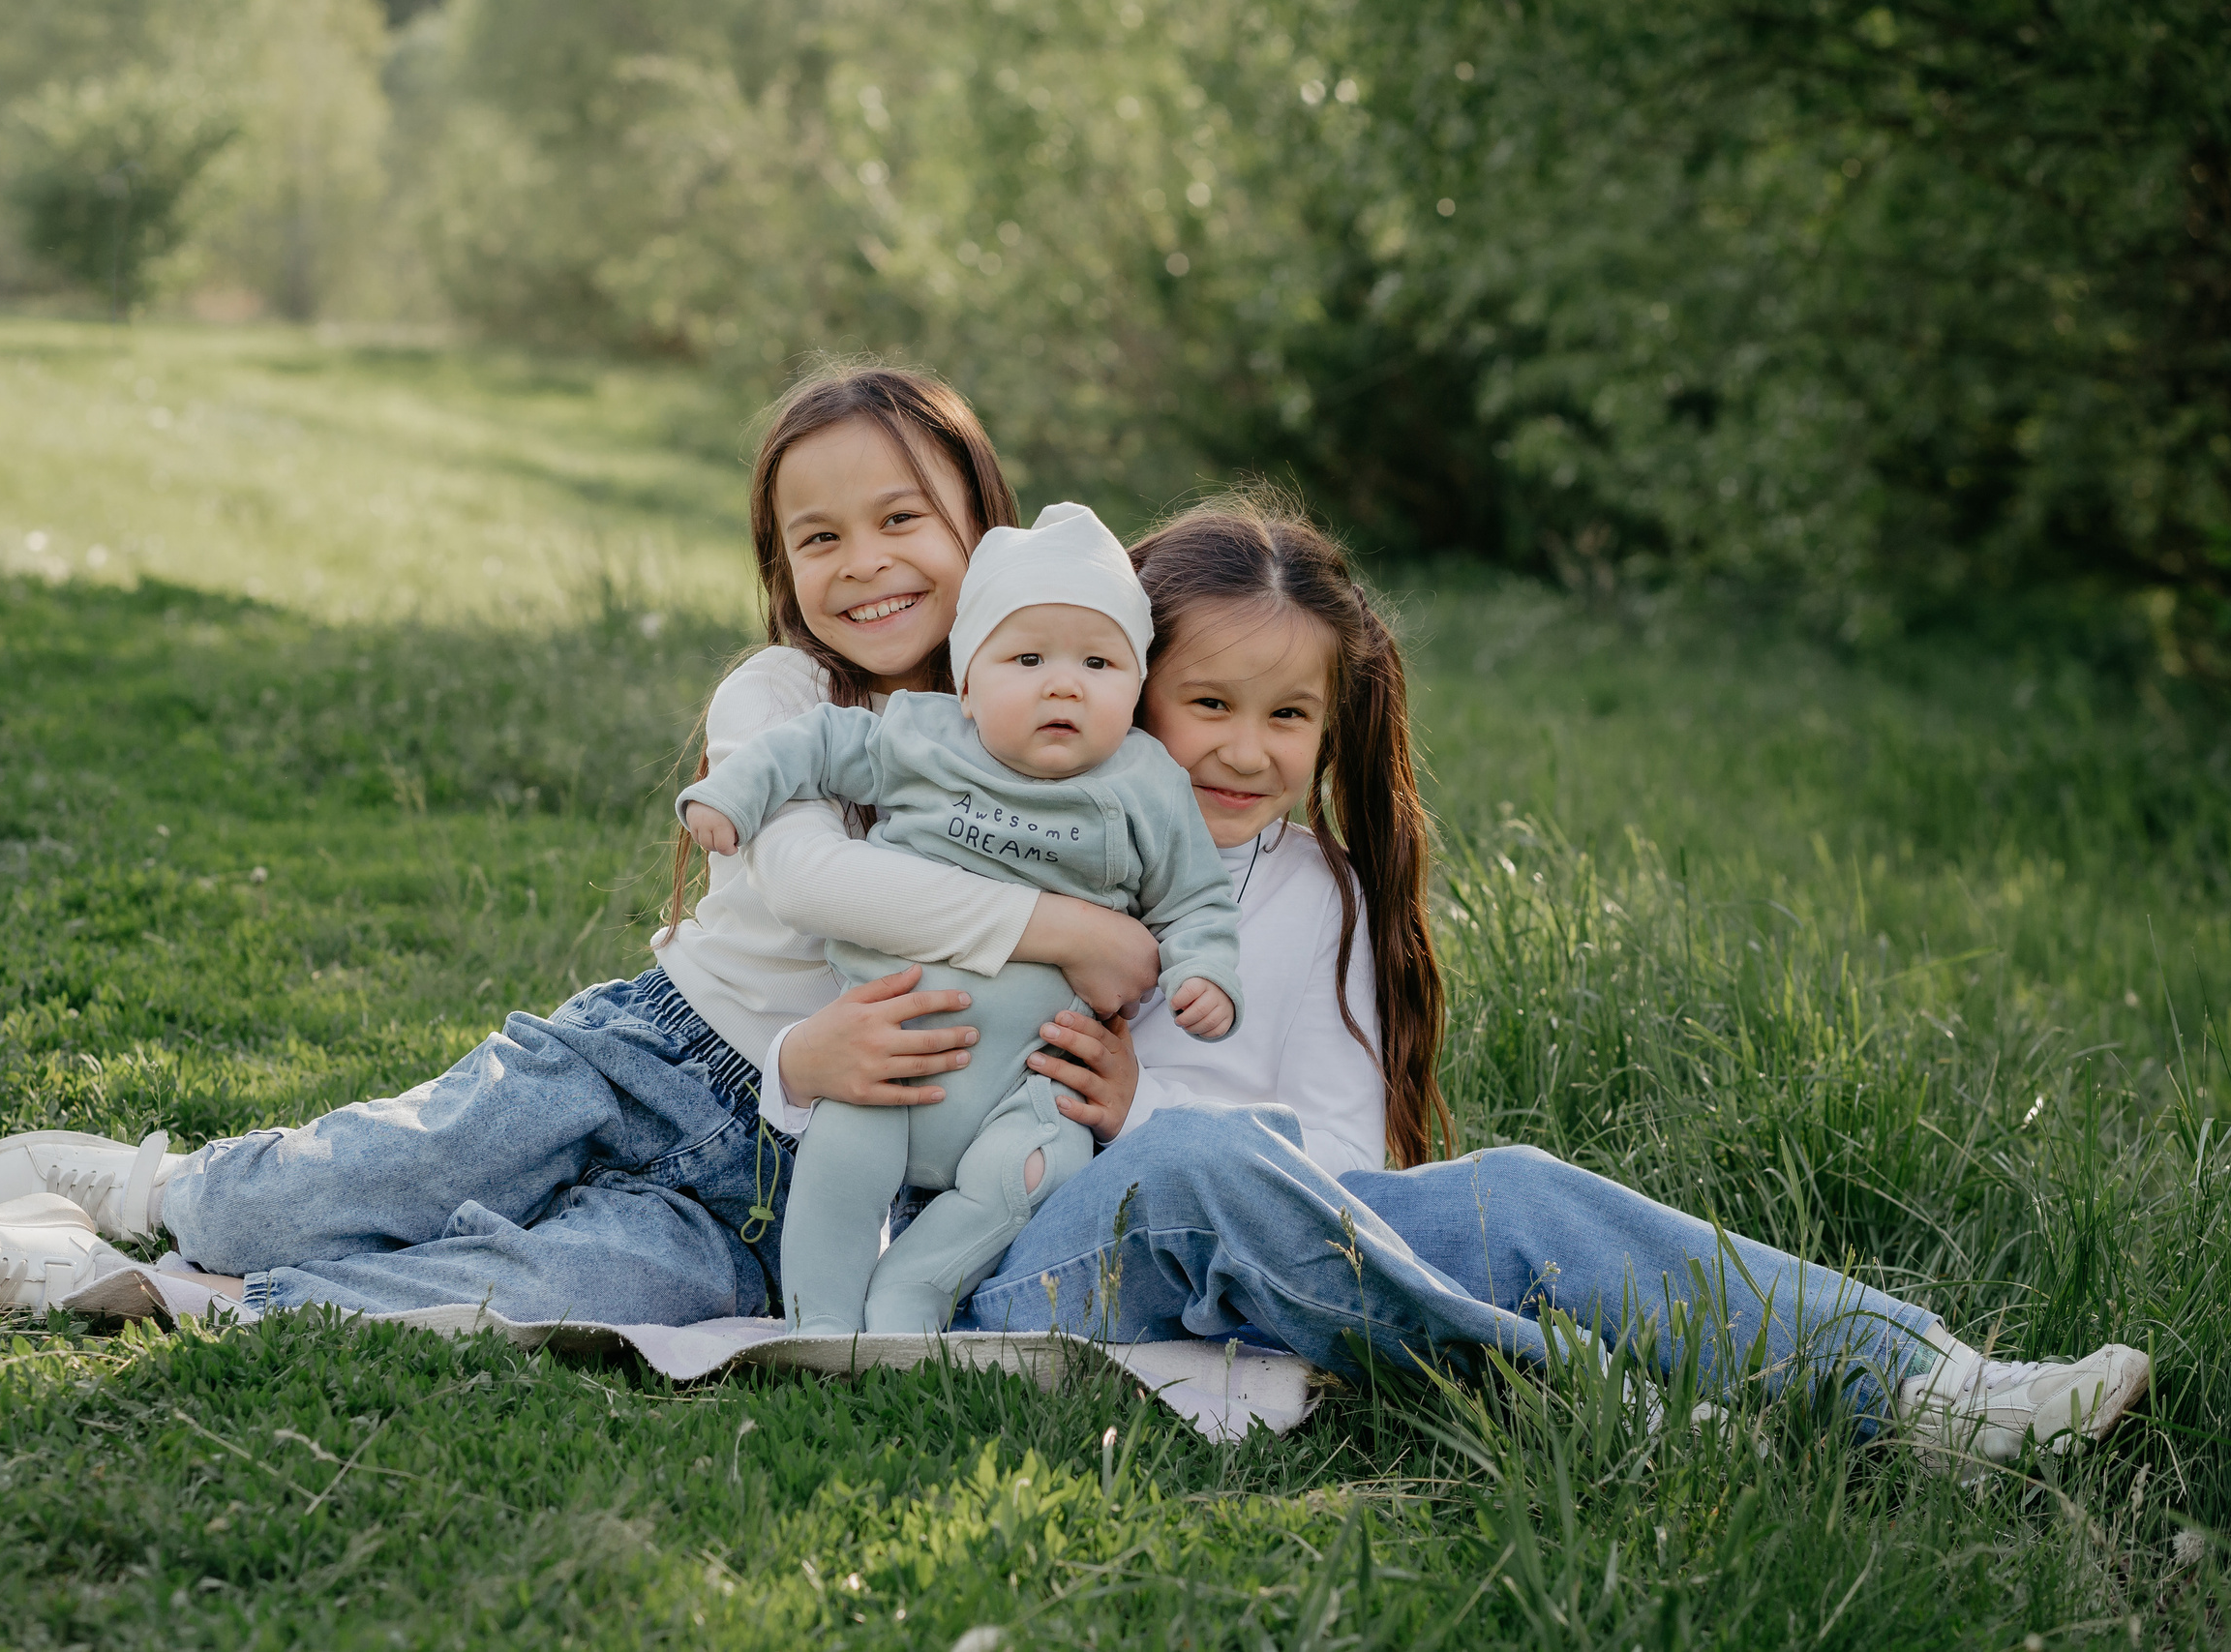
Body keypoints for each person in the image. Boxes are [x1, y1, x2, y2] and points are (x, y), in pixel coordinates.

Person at [765, 493, 2154, 1469]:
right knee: (1187, 1161)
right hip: (1019, 1271)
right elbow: (849, 1061)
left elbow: (1355, 1158)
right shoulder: (983, 851)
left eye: (1289, 715)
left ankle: (1932, 1382)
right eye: (1207, 706)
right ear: (1123, 685)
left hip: (1251, 1227)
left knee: (1522, 1187)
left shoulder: (1320, 897)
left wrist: (1143, 1107)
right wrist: (814, 1068)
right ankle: (1581, 1402)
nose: (1244, 752)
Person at [0, 363, 1166, 1330]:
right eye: (818, 536)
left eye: (901, 520)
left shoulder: (1064, 752)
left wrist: (1098, 1055)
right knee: (370, 1172)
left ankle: (120, 1279)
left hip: (768, 1197)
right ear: (780, 564)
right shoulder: (783, 702)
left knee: (562, 1288)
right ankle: (160, 1185)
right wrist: (1059, 936)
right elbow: (818, 878)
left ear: (983, 532)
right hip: (652, 1055)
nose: (862, 562)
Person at [680, 501, 1242, 1334]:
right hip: (893, 1047)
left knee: (1027, 1173)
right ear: (968, 682)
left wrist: (1206, 973)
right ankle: (821, 1324)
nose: (1064, 681)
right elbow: (813, 746)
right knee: (842, 1159)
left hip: (1032, 1080)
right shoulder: (926, 735)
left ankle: (913, 1294)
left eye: (1099, 660)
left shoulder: (1146, 783)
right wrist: (733, 792)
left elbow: (1194, 898)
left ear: (1136, 686)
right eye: (1027, 657)